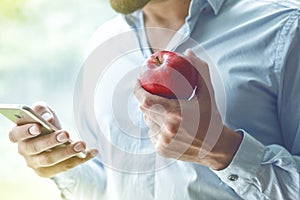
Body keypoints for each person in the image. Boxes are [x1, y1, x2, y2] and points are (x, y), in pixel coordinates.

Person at [8, 0, 300, 199]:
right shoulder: (104, 43)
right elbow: (111, 189)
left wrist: (221, 151)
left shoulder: (284, 32)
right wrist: (65, 165)